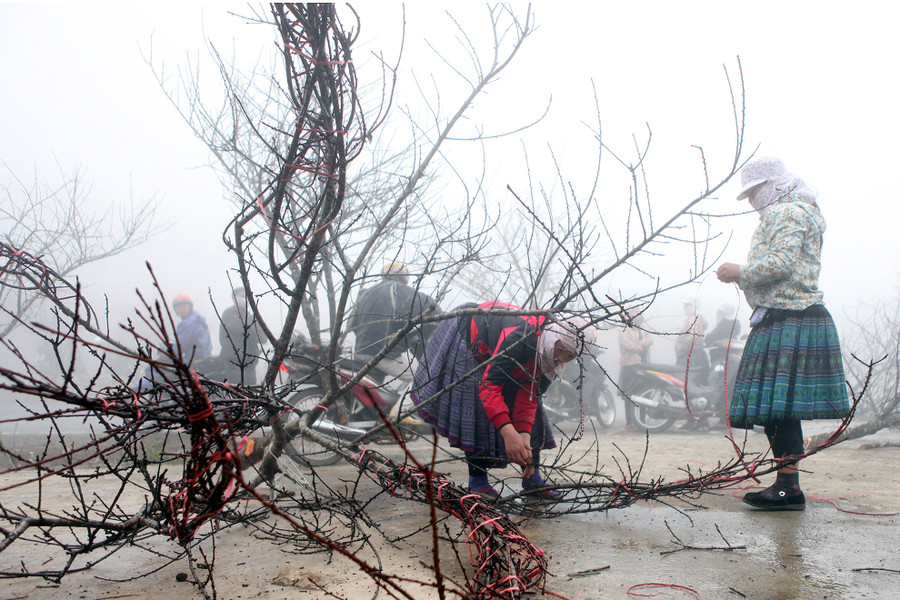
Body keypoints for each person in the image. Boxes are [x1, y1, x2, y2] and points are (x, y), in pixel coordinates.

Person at [716, 157, 849, 511]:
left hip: (791, 316)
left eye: (754, 191)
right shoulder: (796, 210)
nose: (751, 201)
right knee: (779, 409)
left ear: (773, 184)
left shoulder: (788, 212)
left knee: (781, 408)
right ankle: (786, 484)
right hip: (785, 315)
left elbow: (781, 264)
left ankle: (788, 486)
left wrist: (738, 272)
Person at [411, 301, 596, 498]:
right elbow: (489, 386)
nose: (561, 358)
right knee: (477, 405)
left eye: (570, 355)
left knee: (535, 413)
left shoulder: (550, 357)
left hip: (503, 348)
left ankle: (532, 478)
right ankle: (478, 481)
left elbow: (529, 396)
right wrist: (508, 432)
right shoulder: (522, 339)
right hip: (470, 334)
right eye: (560, 350)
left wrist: (524, 437)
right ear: (555, 337)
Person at [349, 262, 442, 385]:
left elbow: (351, 325)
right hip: (382, 354)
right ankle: (405, 406)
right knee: (424, 380)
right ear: (401, 274)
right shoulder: (398, 289)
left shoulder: (365, 292)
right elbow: (433, 309)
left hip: (360, 351)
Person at [219, 287, 262, 385]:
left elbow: (263, 337)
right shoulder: (229, 314)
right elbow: (243, 329)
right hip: (234, 363)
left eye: (246, 296)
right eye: (242, 296)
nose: (245, 298)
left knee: (250, 394)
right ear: (234, 298)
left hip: (250, 364)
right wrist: (254, 328)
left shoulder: (250, 315)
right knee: (239, 393)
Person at [618, 310, 652, 430]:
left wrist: (638, 344)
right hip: (628, 365)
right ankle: (629, 422)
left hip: (642, 365)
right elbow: (627, 344)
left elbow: (650, 340)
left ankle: (641, 420)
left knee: (643, 392)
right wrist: (641, 345)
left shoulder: (642, 329)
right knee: (628, 394)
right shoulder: (624, 329)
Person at [172, 294, 212, 362]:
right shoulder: (198, 319)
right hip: (205, 357)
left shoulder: (188, 323)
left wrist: (166, 352)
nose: (181, 309)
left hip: (194, 360)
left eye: (184, 306)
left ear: (190, 306)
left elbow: (180, 346)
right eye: (178, 307)